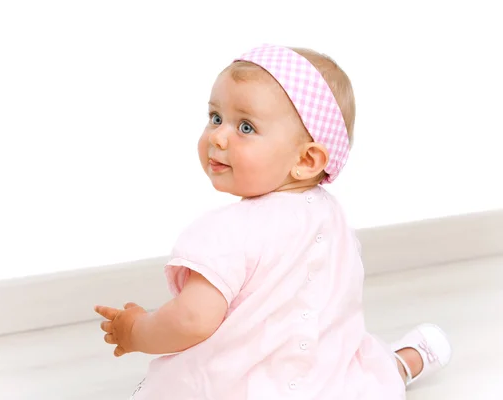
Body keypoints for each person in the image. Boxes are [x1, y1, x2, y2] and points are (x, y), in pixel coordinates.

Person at [94, 43, 452, 399]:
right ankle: (404, 363)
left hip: (238, 389)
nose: (218, 136)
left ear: (308, 160)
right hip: (324, 382)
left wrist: (137, 330)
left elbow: (191, 321)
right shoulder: (331, 217)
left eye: (245, 127)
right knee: (362, 375)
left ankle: (401, 363)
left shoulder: (225, 232)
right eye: (215, 118)